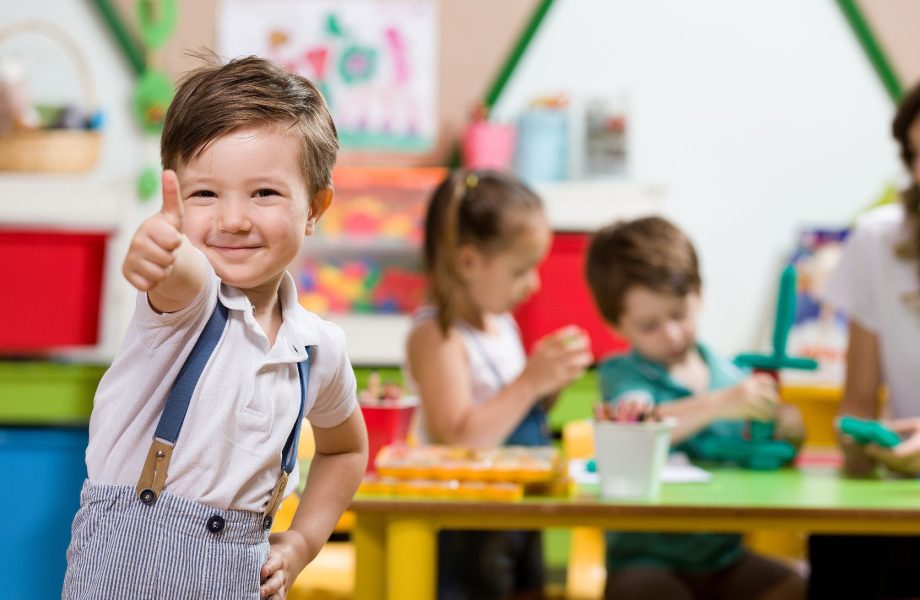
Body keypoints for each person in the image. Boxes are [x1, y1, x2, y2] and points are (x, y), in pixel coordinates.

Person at [62, 56, 367, 600]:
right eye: (205, 194)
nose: (232, 220)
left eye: (265, 193)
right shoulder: (190, 301)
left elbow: (345, 451)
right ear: (175, 197)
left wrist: (302, 541)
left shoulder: (320, 349)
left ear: (315, 207)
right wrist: (158, 250)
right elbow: (178, 271)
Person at [585, 216, 805, 600]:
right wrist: (720, 404)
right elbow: (635, 426)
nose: (671, 333)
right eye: (649, 325)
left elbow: (765, 456)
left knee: (793, 585)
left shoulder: (729, 374)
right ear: (616, 326)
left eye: (678, 315)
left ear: (698, 295)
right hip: (644, 562)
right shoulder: (623, 375)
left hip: (723, 558)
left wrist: (786, 429)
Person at [405, 169, 593, 599]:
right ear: (469, 262)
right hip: (470, 521)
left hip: (518, 506)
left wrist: (548, 385)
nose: (535, 284)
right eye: (521, 270)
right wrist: (528, 382)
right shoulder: (438, 335)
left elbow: (513, 414)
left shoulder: (501, 324)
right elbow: (460, 439)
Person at [807, 81, 920, 600]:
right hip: (905, 489)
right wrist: (856, 443)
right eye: (915, 155)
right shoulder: (879, 240)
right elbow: (858, 397)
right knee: (836, 542)